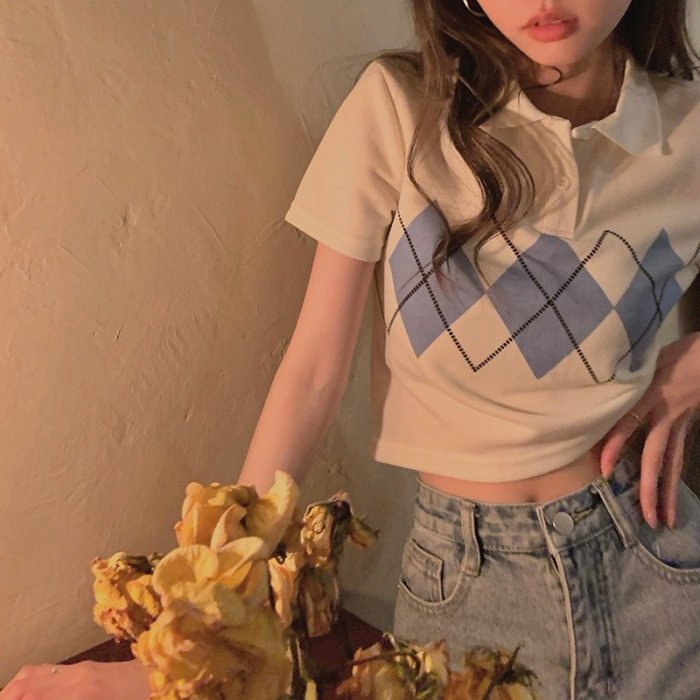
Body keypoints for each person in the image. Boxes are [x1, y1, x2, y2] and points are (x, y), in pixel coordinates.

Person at [2, 1, 698, 699]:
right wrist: (188, 646)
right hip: (467, 579)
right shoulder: (402, 107)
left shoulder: (688, 130)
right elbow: (312, 373)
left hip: (654, 558)